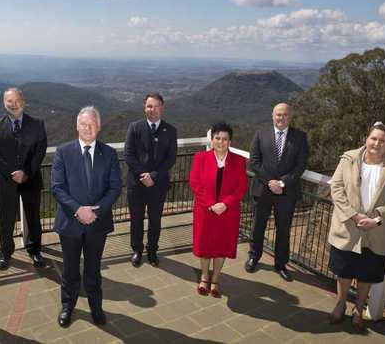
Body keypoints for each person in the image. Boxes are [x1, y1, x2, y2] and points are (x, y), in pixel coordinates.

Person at [327, 123, 385, 332]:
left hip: (377, 230)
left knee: (367, 273)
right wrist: (353, 214)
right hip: (348, 226)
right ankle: (341, 302)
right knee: (344, 271)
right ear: (366, 138)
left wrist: (377, 218)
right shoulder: (349, 158)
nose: (377, 143)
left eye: (382, 140)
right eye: (374, 138)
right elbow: (336, 187)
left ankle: (358, 308)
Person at [51, 106, 122, 328]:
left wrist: (96, 212)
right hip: (70, 222)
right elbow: (57, 187)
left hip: (97, 224)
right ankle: (67, 306)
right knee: (70, 269)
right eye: (84, 124)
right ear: (77, 126)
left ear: (99, 126)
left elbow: (115, 187)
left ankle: (95, 306)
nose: (88, 128)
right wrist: (79, 210)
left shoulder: (109, 153)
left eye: (92, 124)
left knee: (93, 269)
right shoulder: (63, 152)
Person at [246, 103, 308, 282]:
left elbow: (300, 165)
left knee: (283, 230)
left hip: (286, 192)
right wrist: (270, 182)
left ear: (290, 117)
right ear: (273, 116)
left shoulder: (300, 137)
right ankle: (254, 257)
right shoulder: (260, 134)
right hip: (263, 189)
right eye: (278, 115)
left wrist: (282, 182)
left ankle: (281, 264)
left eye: (285, 115)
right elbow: (254, 162)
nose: (281, 118)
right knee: (258, 226)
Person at [0, 87, 47, 269]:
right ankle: (5, 252)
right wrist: (12, 173)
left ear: (23, 101)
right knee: (6, 220)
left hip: (31, 180)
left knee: (33, 218)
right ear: (4, 103)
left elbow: (40, 150)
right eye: (9, 101)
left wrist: (26, 173)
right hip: (8, 182)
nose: (14, 105)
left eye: (17, 101)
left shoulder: (38, 124)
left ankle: (35, 250)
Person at [190, 123, 248, 297]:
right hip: (205, 211)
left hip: (227, 213)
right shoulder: (200, 157)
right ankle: (204, 277)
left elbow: (241, 187)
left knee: (221, 247)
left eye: (225, 139)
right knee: (205, 245)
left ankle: (215, 279)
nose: (221, 142)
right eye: (217, 138)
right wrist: (210, 203)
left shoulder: (239, 161)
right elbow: (195, 183)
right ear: (212, 139)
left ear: (229, 141)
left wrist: (225, 204)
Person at [125, 93, 177, 267]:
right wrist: (143, 175)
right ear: (144, 107)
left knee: (155, 220)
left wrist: (153, 176)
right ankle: (137, 250)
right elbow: (129, 155)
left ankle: (153, 250)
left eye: (155, 106)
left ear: (162, 107)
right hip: (136, 185)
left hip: (158, 184)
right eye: (149, 106)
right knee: (136, 219)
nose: (152, 109)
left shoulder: (170, 131)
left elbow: (171, 159)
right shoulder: (134, 127)